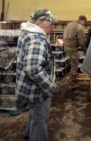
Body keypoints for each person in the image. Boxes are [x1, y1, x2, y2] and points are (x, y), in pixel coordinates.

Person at [16, 8, 58, 141]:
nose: (53, 26)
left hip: (27, 86)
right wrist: (51, 86)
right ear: (41, 22)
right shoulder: (37, 39)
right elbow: (33, 69)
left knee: (35, 113)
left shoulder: (26, 33)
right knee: (40, 118)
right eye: (50, 23)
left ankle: (29, 133)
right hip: (37, 89)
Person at [63, 15, 87, 92]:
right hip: (72, 47)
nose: (84, 24)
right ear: (83, 20)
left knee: (73, 62)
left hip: (66, 46)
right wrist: (86, 51)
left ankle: (72, 78)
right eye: (84, 22)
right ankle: (71, 84)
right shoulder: (79, 27)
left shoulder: (70, 24)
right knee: (75, 63)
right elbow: (82, 42)